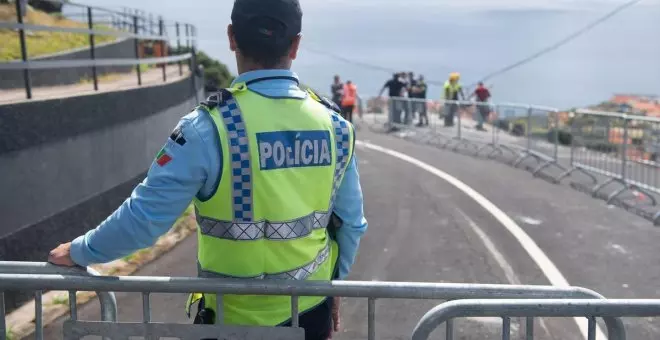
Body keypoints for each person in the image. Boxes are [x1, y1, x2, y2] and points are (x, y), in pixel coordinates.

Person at [47, 1, 368, 339]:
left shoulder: (207, 128)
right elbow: (351, 225)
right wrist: (332, 285)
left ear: (231, 38)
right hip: (310, 314)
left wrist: (81, 250)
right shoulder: (336, 126)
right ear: (296, 44)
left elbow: (144, 219)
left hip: (230, 321)